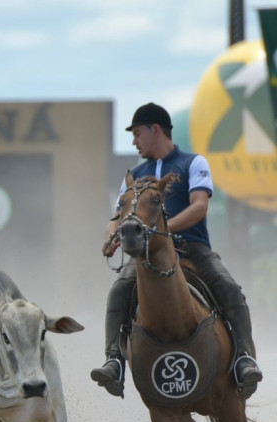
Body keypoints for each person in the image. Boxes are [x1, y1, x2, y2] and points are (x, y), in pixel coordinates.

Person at [91, 102, 263, 399]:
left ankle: (244, 359)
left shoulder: (193, 162)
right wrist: (112, 237)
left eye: (137, 133)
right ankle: (114, 361)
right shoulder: (134, 174)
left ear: (155, 130)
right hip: (147, 256)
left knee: (229, 288)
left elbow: (199, 207)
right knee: (119, 290)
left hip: (193, 248)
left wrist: (162, 232)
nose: (134, 141)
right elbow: (116, 218)